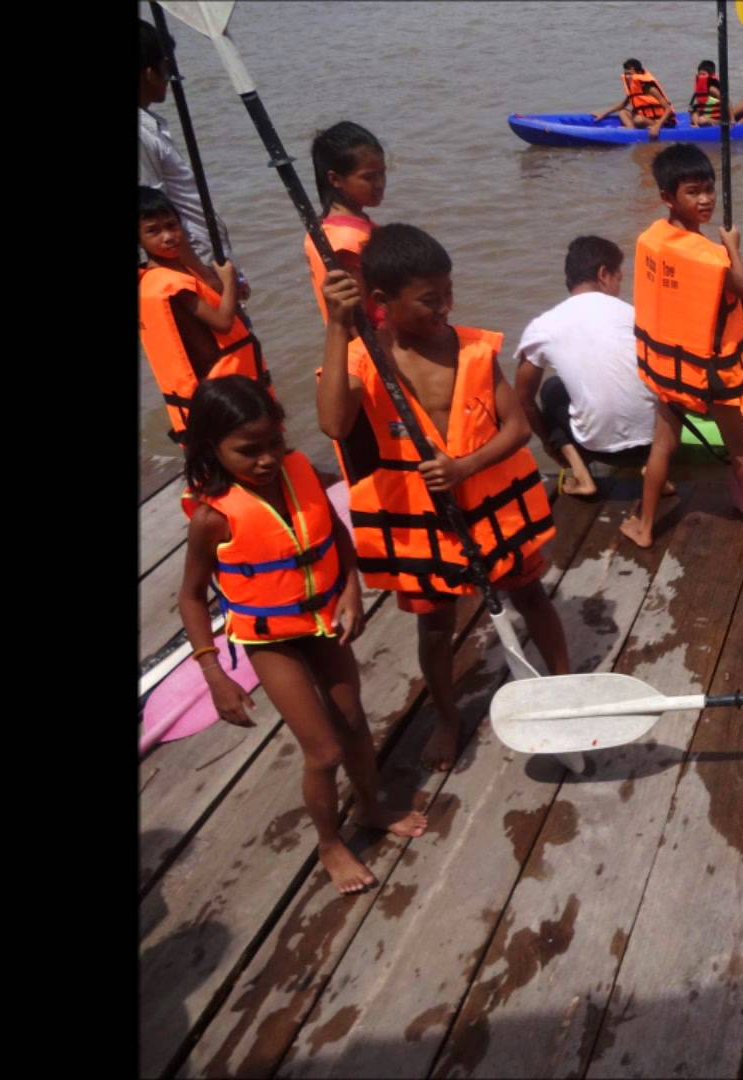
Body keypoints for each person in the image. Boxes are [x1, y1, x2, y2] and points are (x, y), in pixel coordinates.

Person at [317, 224, 571, 772]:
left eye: (448, 293)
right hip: (419, 524)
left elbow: (517, 427)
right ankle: (449, 716)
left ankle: (566, 684)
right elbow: (334, 423)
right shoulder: (362, 360)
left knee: (532, 595)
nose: (445, 307)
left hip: (490, 505)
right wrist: (338, 328)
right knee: (434, 627)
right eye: (430, 300)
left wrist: (466, 466)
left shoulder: (474, 348)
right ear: (380, 303)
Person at [177, 375, 428, 895]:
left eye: (274, 443)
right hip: (271, 641)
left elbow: (334, 530)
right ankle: (329, 843)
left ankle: (371, 806)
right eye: (248, 451)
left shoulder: (300, 471)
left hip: (322, 621)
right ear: (210, 448)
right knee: (324, 752)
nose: (267, 459)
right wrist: (214, 673)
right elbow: (190, 597)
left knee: (355, 723)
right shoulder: (211, 518)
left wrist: (352, 591)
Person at [621, 144, 743, 548]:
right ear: (667, 198)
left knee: (662, 446)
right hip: (715, 377)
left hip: (670, 371)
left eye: (709, 189)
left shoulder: (651, 240)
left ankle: (644, 527)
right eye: (693, 192)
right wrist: (733, 247)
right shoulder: (713, 257)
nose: (706, 199)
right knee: (740, 451)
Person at [513, 235, 663, 499]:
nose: (619, 286)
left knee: (550, 389)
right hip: (658, 445)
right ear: (604, 275)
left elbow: (522, 399)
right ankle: (653, 470)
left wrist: (551, 446)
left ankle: (581, 475)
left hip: (595, 448)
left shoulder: (543, 326)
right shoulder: (636, 314)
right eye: (619, 279)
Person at [140, 186, 271, 445]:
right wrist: (229, 280)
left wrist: (225, 286)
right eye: (153, 231)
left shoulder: (161, 276)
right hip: (222, 389)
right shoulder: (171, 284)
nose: (168, 236)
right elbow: (223, 323)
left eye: (172, 225)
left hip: (213, 389)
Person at [140, 18, 249, 294]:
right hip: (194, 268)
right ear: (148, 72)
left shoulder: (150, 125)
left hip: (205, 260)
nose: (168, 78)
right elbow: (155, 213)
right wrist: (206, 277)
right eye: (165, 69)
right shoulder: (141, 135)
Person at [305, 121, 388, 326]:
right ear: (335, 179)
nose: (380, 184)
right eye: (368, 177)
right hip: (371, 351)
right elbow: (354, 323)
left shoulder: (323, 229)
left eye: (382, 173)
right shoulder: (349, 242)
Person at [593, 59, 674, 138]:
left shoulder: (649, 88)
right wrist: (603, 113)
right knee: (622, 112)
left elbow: (668, 109)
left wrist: (657, 127)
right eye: (626, 74)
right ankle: (630, 130)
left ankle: (636, 130)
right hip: (644, 119)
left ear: (639, 73)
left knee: (638, 119)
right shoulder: (634, 87)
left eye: (630, 74)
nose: (628, 77)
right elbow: (622, 105)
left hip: (659, 122)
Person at [688, 60, 723, 126]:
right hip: (706, 113)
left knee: (702, 120)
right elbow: (699, 102)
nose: (701, 77)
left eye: (703, 74)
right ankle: (696, 125)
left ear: (711, 76)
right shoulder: (701, 87)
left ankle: (717, 122)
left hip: (716, 117)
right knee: (694, 112)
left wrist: (731, 119)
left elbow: (725, 102)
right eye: (699, 74)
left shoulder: (712, 89)